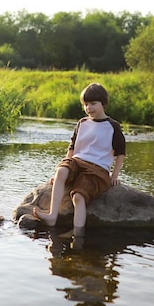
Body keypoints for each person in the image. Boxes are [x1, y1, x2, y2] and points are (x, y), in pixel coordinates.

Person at [34, 83, 126, 237]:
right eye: (86, 104)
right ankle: (52, 216)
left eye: (93, 104)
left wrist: (114, 176)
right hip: (77, 161)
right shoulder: (82, 123)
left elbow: (121, 153)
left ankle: (78, 233)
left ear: (103, 104)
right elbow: (72, 148)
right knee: (61, 171)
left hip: (97, 168)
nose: (89, 108)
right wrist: (60, 174)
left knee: (78, 196)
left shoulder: (113, 126)